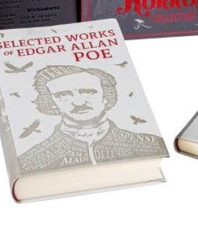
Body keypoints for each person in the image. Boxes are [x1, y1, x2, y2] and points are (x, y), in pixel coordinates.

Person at [17, 64, 167, 171]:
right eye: (63, 95)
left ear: (106, 97)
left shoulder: (151, 144)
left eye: (88, 92)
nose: (79, 102)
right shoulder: (30, 160)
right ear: (52, 103)